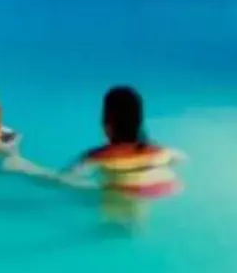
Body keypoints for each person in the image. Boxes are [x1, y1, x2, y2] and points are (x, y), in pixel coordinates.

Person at [68, 85, 183, 224]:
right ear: (139, 123)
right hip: (155, 189)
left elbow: (66, 180)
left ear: (107, 125)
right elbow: (179, 159)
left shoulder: (99, 156)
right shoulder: (159, 151)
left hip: (117, 194)